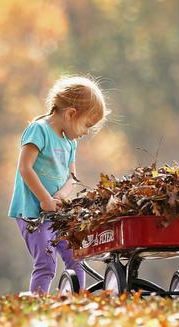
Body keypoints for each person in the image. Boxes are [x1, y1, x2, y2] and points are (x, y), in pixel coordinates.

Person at [9, 76, 109, 294]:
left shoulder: (70, 142)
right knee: (46, 262)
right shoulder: (39, 130)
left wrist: (61, 197)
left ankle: (78, 300)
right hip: (32, 213)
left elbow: (72, 177)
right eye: (86, 125)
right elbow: (25, 168)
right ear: (71, 114)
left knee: (76, 256)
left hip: (56, 213)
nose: (85, 133)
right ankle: (39, 302)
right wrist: (45, 199)